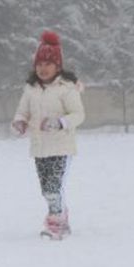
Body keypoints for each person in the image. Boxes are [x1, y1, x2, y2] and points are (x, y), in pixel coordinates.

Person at [11, 31, 85, 240]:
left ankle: (56, 223)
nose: (43, 68)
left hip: (62, 147)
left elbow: (79, 115)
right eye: (39, 64)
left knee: (54, 188)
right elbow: (22, 110)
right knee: (47, 190)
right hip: (39, 147)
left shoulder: (66, 88)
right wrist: (19, 122)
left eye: (48, 64)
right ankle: (62, 216)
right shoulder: (31, 89)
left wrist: (59, 122)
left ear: (58, 66)